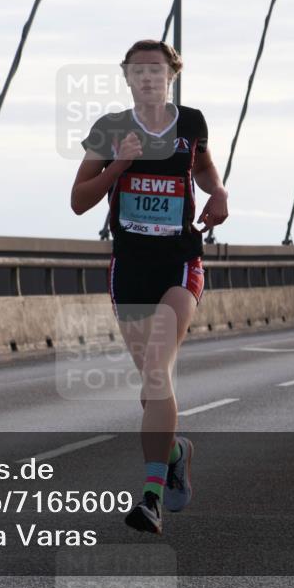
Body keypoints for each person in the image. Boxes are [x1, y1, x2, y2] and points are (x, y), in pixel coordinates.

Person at [70, 40, 228, 534]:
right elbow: (78, 200)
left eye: (155, 70)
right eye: (137, 71)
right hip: (129, 270)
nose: (147, 78)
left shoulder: (192, 124)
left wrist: (218, 193)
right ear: (127, 77)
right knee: (151, 390)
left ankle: (151, 499)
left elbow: (201, 169)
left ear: (171, 75)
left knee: (157, 373)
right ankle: (176, 450)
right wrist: (117, 167)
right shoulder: (111, 129)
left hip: (180, 263)